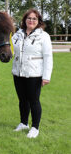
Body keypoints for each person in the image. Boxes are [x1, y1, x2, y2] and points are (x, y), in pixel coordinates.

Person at [12, 8, 53, 138]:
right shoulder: (17, 34)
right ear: (24, 20)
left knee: (34, 101)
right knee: (22, 100)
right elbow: (10, 49)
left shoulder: (43, 36)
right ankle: (24, 123)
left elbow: (48, 57)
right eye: (29, 18)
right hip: (18, 73)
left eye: (34, 18)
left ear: (38, 21)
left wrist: (46, 76)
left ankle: (35, 127)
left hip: (34, 74)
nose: (31, 20)